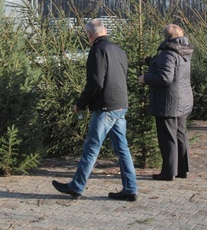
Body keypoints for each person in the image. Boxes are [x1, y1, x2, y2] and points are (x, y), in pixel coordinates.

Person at [52, 18, 139, 202]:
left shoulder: (97, 50)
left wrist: (81, 104)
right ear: (105, 30)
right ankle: (130, 188)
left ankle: (76, 186)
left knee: (91, 148)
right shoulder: (119, 50)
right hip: (120, 105)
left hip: (105, 107)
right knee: (123, 149)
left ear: (90, 35)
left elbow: (96, 82)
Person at [138, 24, 194, 181]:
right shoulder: (184, 51)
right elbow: (171, 68)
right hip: (184, 99)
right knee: (180, 133)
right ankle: (182, 170)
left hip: (168, 102)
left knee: (168, 137)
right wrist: (151, 61)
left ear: (166, 37)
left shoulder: (167, 53)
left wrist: (145, 78)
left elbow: (165, 77)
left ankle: (168, 172)